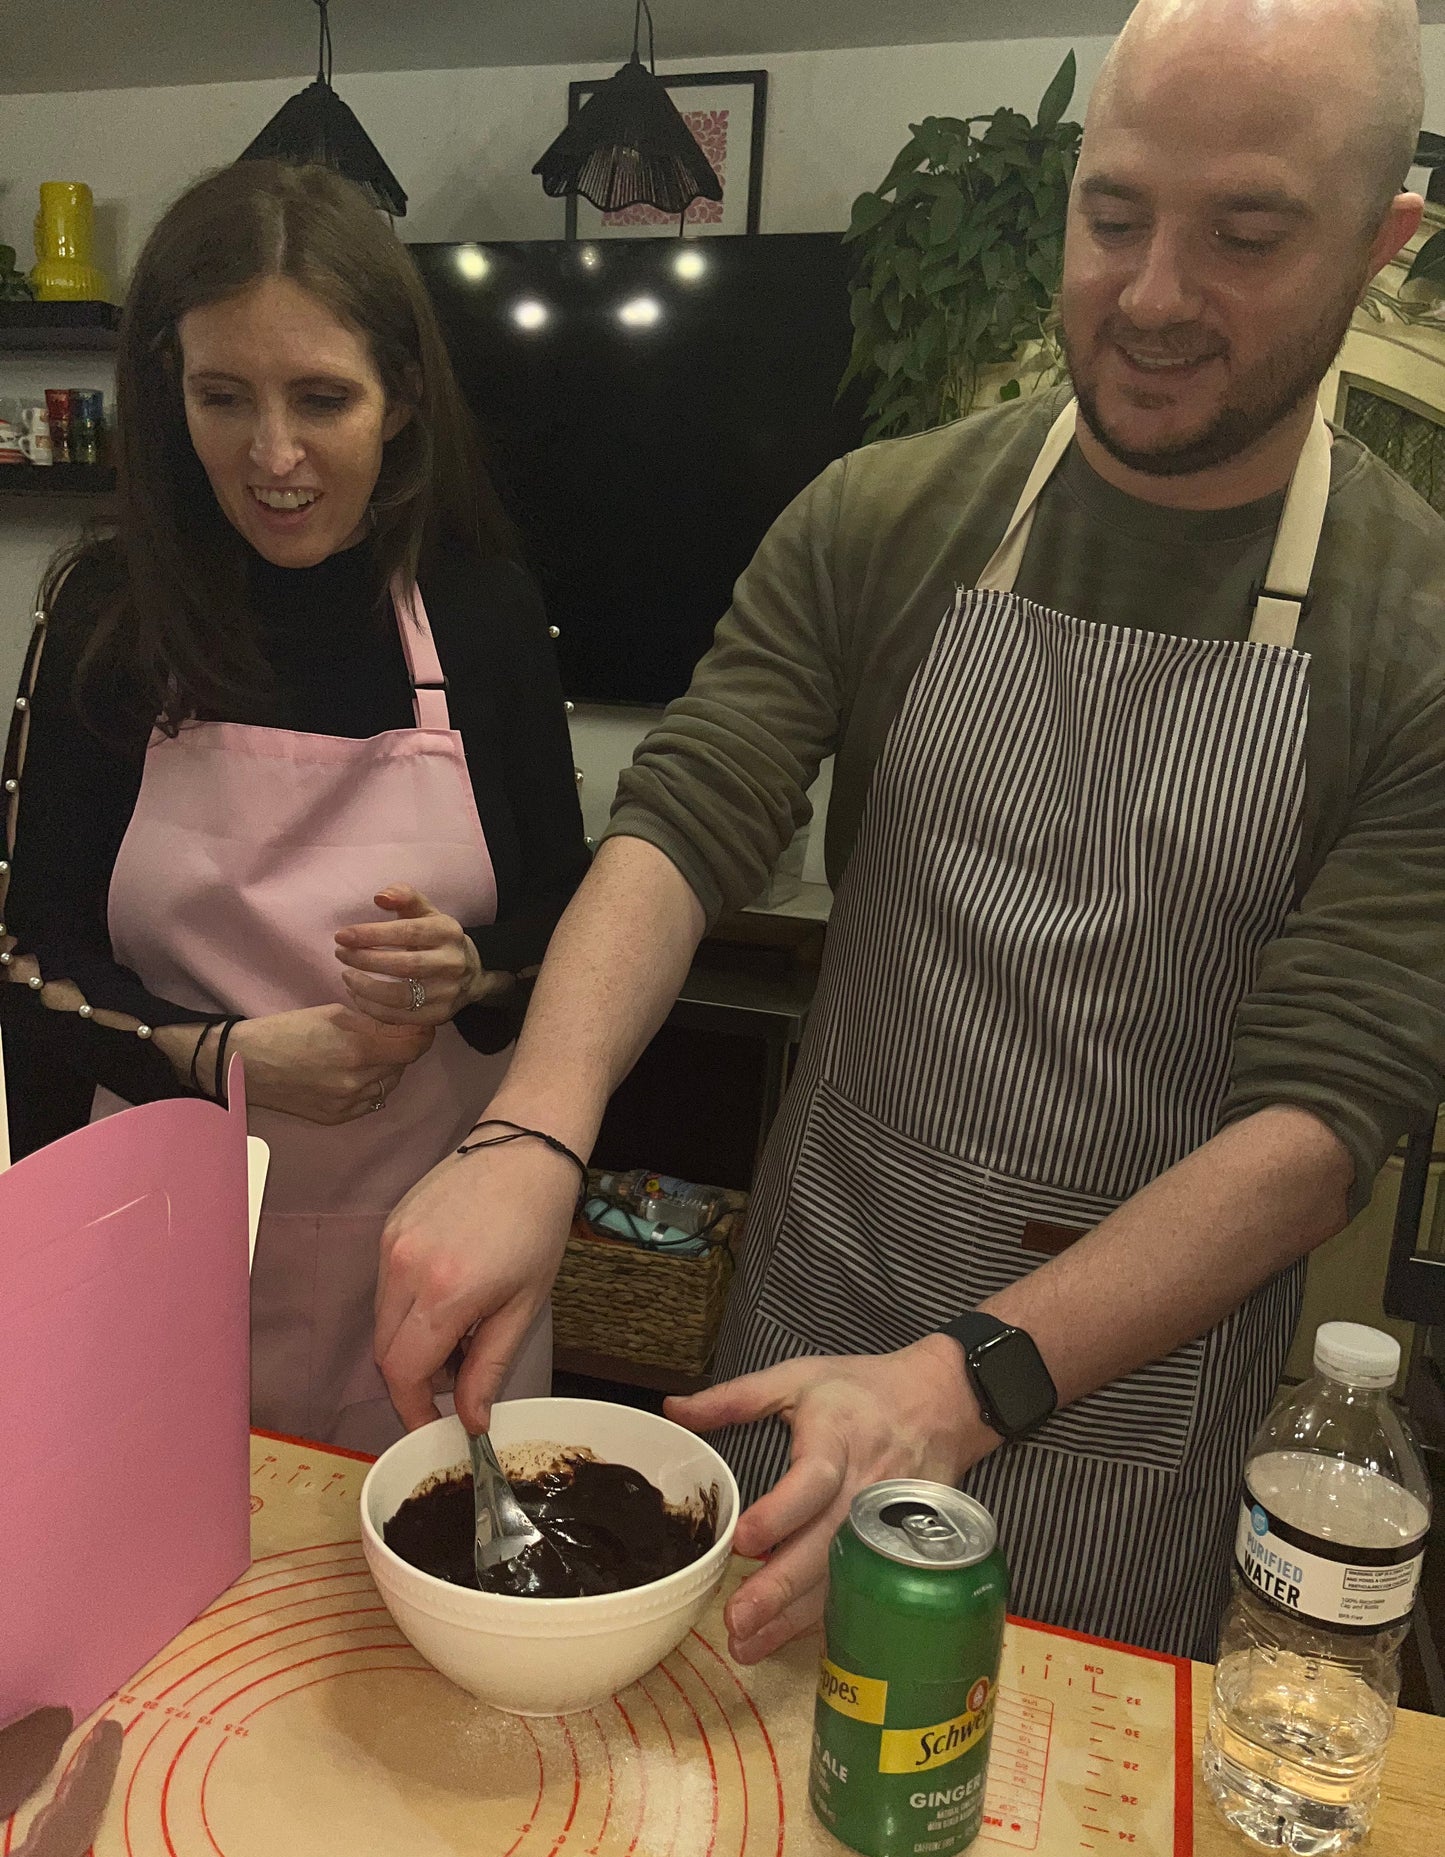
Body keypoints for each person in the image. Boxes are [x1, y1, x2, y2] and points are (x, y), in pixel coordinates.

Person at [370, 0, 1445, 1660]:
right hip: (814, 1314)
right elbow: (687, 817)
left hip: (1118, 1396)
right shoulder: (881, 514)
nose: (1152, 297)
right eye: (1112, 217)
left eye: (1244, 234)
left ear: (1384, 243)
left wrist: (967, 1384)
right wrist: (535, 1128)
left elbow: (1324, 1109)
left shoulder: (1418, 630)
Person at [0, 161, 588, 1452]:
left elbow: (564, 928)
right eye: (223, 398)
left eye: (322, 398)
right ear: (169, 393)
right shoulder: (109, 612)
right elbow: (29, 956)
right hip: (159, 1243)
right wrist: (220, 1059)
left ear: (404, 398)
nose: (272, 457)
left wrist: (469, 971)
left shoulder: (481, 615)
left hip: (431, 1247)